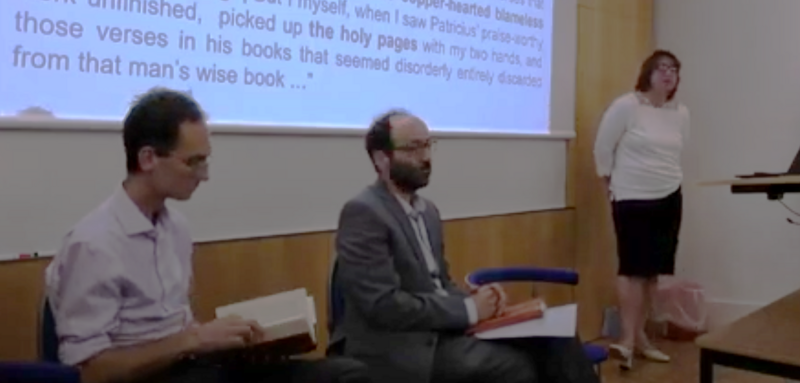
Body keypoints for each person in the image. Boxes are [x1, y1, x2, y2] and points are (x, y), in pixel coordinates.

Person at [45, 87, 371, 383]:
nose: (205, 175)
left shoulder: (176, 228)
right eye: (194, 162)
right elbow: (90, 372)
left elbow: (180, 331)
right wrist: (193, 340)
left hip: (193, 366)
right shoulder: (93, 244)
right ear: (148, 159)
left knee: (345, 375)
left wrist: (224, 339)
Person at [332, 110, 601, 383]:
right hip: (397, 347)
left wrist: (482, 301)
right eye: (413, 148)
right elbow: (383, 305)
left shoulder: (428, 212)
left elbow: (440, 284)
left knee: (557, 338)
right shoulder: (364, 212)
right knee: (514, 367)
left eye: (428, 145)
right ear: (381, 159)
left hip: (441, 332)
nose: (425, 157)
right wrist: (469, 310)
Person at [593, 49, 689, 370]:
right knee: (632, 269)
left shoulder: (680, 113)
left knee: (652, 274)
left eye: (673, 70)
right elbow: (603, 149)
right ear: (648, 72)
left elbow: (677, 154)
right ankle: (627, 341)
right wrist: (610, 190)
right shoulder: (627, 106)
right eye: (661, 68)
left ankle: (641, 338)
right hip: (631, 197)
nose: (667, 74)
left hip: (669, 197)